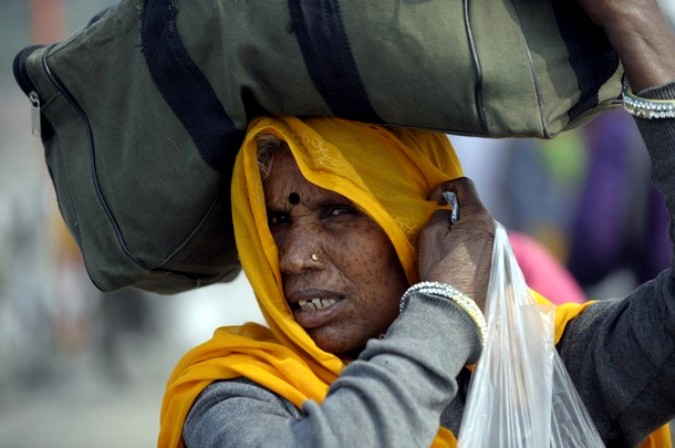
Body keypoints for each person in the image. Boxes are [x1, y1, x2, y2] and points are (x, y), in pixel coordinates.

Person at [159, 0, 675, 446]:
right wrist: (444, 310)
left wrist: (635, 19)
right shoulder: (235, 391)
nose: (293, 256)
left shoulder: (544, 373)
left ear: (421, 218)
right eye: (276, 220)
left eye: (338, 212)